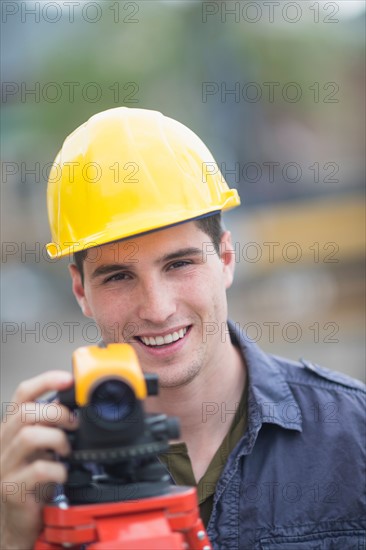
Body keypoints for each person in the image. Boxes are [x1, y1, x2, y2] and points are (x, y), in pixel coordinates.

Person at [1, 107, 365, 550]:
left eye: (179, 264)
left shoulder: (352, 434)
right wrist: (13, 537)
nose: (157, 308)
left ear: (226, 259)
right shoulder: (30, 465)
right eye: (118, 276)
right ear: (80, 290)